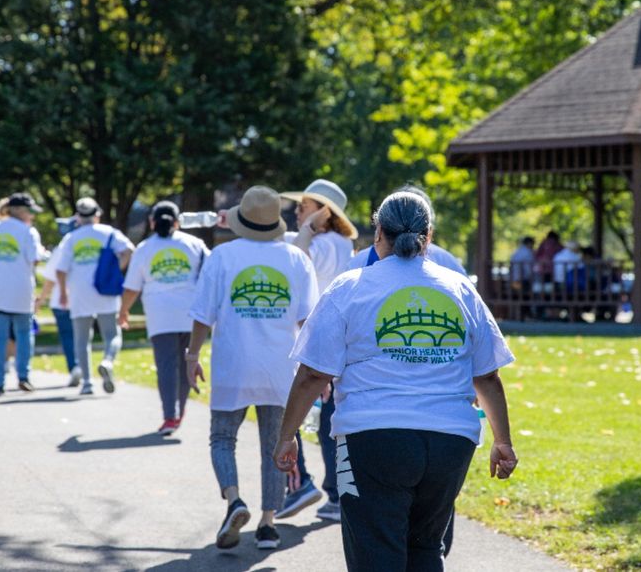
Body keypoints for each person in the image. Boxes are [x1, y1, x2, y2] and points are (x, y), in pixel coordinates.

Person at [275, 190, 519, 571]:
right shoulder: (459, 289)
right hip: (450, 443)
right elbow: (487, 376)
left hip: (371, 438)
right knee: (426, 550)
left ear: (378, 234)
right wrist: (502, 442)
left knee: (375, 556)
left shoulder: (350, 287)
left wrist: (286, 435)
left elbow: (311, 374)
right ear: (429, 236)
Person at [186, 186, 318, 551]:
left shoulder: (221, 256)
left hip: (233, 365)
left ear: (240, 220)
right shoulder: (296, 259)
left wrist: (192, 355)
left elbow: (201, 315)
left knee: (222, 438)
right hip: (280, 368)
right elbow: (310, 322)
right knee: (276, 446)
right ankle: (267, 525)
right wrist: (317, 372)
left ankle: (234, 501)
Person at [277, 179, 357, 521]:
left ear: (326, 213)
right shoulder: (333, 243)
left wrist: (310, 226)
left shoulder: (328, 244)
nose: (297, 213)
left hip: (326, 342)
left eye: (304, 207)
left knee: (309, 415)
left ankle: (314, 487)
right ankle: (330, 491)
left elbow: (296, 257)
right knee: (329, 420)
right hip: (336, 339)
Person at [119, 201, 210, 434]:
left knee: (167, 367)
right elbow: (212, 275)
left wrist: (123, 311)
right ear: (178, 221)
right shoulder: (195, 244)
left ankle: (170, 416)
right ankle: (179, 410)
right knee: (185, 365)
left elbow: (132, 288)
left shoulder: (144, 248)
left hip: (160, 317)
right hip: (192, 315)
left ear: (151, 222)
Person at [54, 197, 134, 395]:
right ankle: (107, 361)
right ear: (97, 214)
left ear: (78, 217)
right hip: (105, 289)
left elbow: (61, 269)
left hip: (80, 291)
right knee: (112, 334)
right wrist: (115, 270)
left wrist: (63, 292)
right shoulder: (109, 233)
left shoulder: (71, 238)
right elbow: (129, 250)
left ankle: (87, 383)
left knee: (82, 339)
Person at [0, 193, 43, 395]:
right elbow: (35, 259)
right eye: (30, 211)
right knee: (24, 334)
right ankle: (23, 376)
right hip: (20, 290)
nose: (32, 216)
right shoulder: (28, 232)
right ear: (19, 211)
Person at [40, 218, 79, 387]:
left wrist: (41, 299)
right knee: (83, 338)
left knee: (68, 337)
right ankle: (83, 369)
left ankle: (75, 368)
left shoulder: (62, 247)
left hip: (61, 302)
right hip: (84, 300)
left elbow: (50, 278)